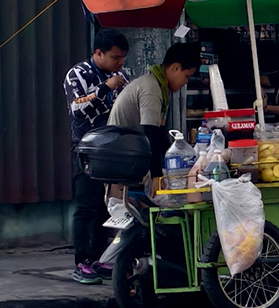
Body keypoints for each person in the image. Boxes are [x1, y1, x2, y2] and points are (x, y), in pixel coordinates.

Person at [64, 29, 130, 285]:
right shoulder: (78, 74)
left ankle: (100, 258)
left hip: (114, 148)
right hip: (87, 148)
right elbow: (78, 108)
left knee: (108, 205)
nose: (120, 63)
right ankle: (82, 261)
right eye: (115, 57)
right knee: (87, 204)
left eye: (123, 57)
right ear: (98, 53)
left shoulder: (121, 74)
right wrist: (105, 88)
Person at [108, 43, 201, 177]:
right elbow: (150, 134)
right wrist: (157, 176)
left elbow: (159, 134)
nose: (186, 82)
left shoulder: (160, 86)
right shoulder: (151, 88)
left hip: (131, 152)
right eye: (187, 76)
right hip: (122, 157)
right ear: (175, 68)